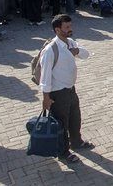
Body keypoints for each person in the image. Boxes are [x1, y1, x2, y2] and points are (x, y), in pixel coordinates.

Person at [40, 14, 93, 164]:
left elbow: (86, 54)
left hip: (70, 90)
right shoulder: (51, 50)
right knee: (61, 123)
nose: (70, 29)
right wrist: (46, 97)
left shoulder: (70, 42)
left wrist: (76, 51)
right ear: (57, 30)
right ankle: (63, 152)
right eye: (67, 27)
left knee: (75, 117)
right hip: (58, 93)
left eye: (70, 26)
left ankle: (76, 141)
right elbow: (45, 77)